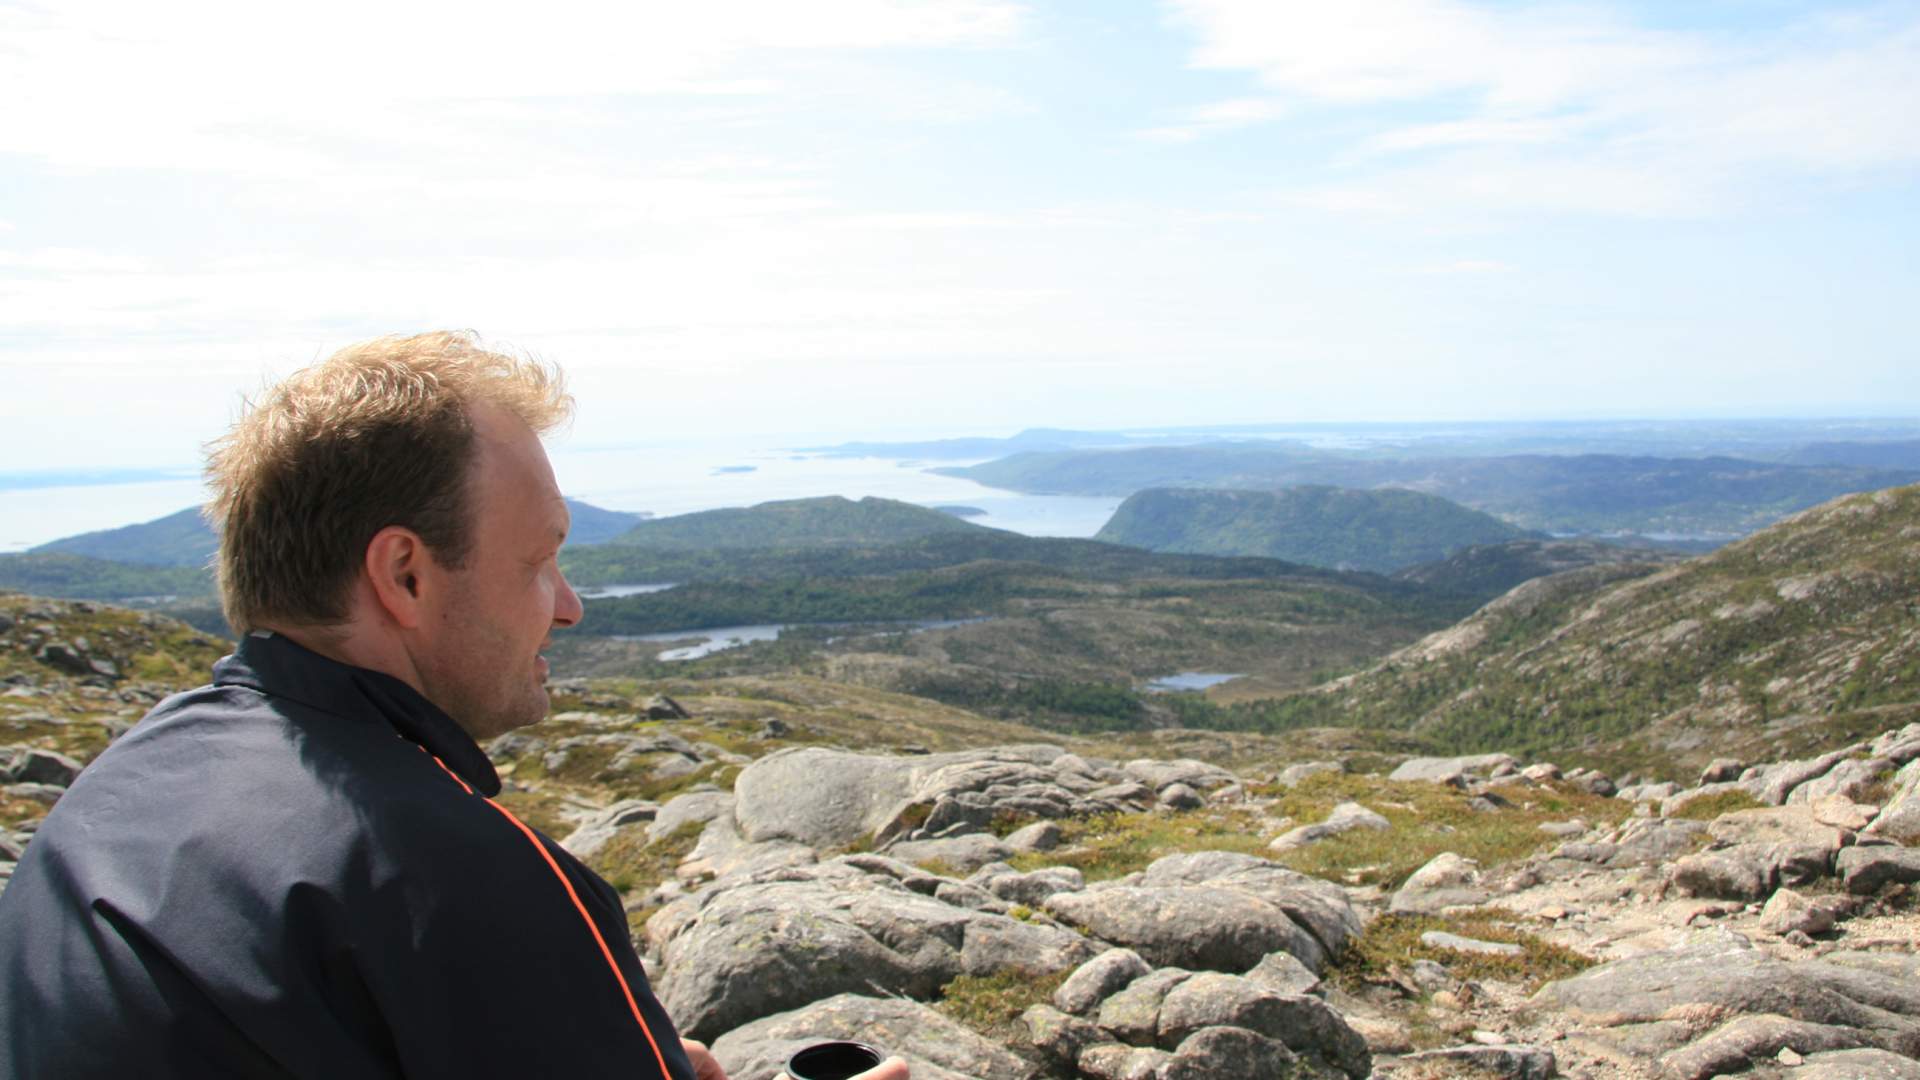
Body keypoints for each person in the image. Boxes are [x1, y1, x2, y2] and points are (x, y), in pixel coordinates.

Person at [0, 332, 908, 1080]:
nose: (568, 604)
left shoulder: (118, 789)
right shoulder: (449, 879)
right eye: (539, 560)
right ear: (405, 575)